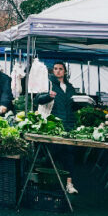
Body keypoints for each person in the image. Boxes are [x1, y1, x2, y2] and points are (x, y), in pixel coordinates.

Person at [36, 62, 78, 194]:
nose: (58, 71)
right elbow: (38, 99)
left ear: (65, 72)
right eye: (55, 69)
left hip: (68, 126)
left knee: (69, 155)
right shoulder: (48, 84)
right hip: (53, 125)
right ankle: (49, 183)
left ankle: (69, 184)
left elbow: (73, 106)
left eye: (60, 69)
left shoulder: (70, 88)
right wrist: (49, 96)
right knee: (52, 154)